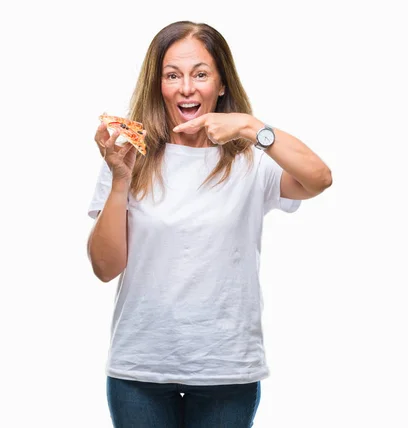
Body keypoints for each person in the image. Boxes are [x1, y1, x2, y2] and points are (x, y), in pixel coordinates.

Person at [87, 21, 332, 428]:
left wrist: (252, 128)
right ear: (158, 84)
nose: (186, 88)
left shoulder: (251, 160)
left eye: (200, 74)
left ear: (220, 84)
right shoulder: (130, 157)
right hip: (140, 367)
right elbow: (104, 267)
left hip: (226, 366)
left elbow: (319, 179)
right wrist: (119, 181)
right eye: (172, 75)